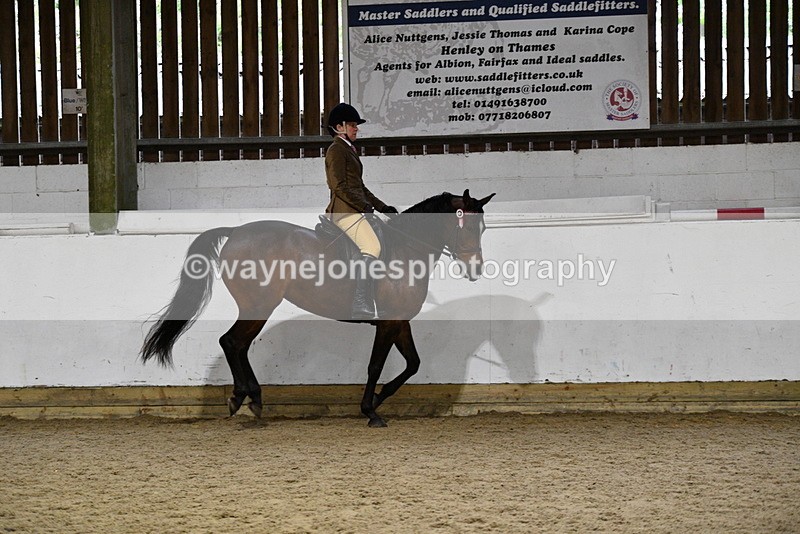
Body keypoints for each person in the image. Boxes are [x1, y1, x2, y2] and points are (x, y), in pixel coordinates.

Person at [324, 103, 398, 320]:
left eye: (356, 125)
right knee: (372, 246)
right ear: (339, 127)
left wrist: (383, 207)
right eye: (353, 125)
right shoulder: (336, 150)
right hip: (344, 212)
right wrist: (363, 206)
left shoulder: (348, 149)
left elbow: (360, 187)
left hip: (355, 209)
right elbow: (338, 186)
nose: (357, 129)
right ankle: (360, 301)